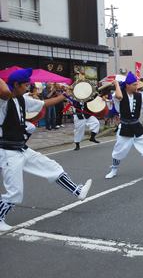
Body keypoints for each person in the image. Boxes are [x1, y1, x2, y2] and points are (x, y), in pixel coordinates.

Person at [0, 69, 92, 231]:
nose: (28, 88)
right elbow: (5, 91)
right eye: (25, 85)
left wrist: (64, 96)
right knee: (15, 191)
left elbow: (44, 104)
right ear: (15, 84)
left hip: (21, 148)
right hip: (7, 151)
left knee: (52, 167)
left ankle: (77, 191)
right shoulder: (3, 101)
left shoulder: (22, 99)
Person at [105, 72, 143, 179]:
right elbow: (119, 96)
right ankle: (113, 169)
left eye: (136, 84)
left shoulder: (139, 95)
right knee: (119, 150)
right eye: (134, 84)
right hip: (125, 126)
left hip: (136, 126)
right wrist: (117, 84)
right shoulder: (118, 94)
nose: (136, 86)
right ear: (127, 85)